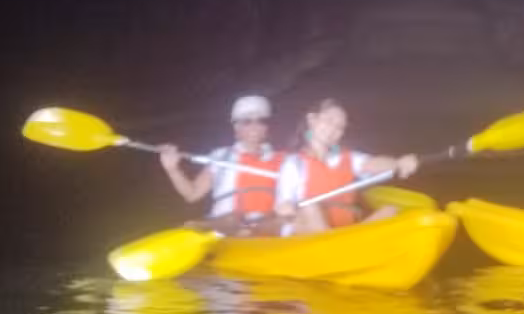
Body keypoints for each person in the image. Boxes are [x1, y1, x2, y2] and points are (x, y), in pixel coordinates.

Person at [276, 98, 419, 234]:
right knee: (309, 207)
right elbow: (283, 203)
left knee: (390, 210)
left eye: (340, 127)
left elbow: (372, 164)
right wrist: (286, 207)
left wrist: (397, 163)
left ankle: (348, 243)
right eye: (329, 120)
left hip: (346, 231)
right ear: (312, 120)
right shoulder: (294, 163)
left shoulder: (349, 158)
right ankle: (332, 245)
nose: (333, 129)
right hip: (308, 234)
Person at [159, 94, 284, 233]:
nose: (254, 126)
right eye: (247, 121)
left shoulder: (283, 160)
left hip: (268, 235)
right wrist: (172, 169)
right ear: (236, 127)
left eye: (261, 120)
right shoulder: (221, 156)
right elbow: (192, 194)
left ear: (267, 126)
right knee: (231, 220)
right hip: (225, 232)